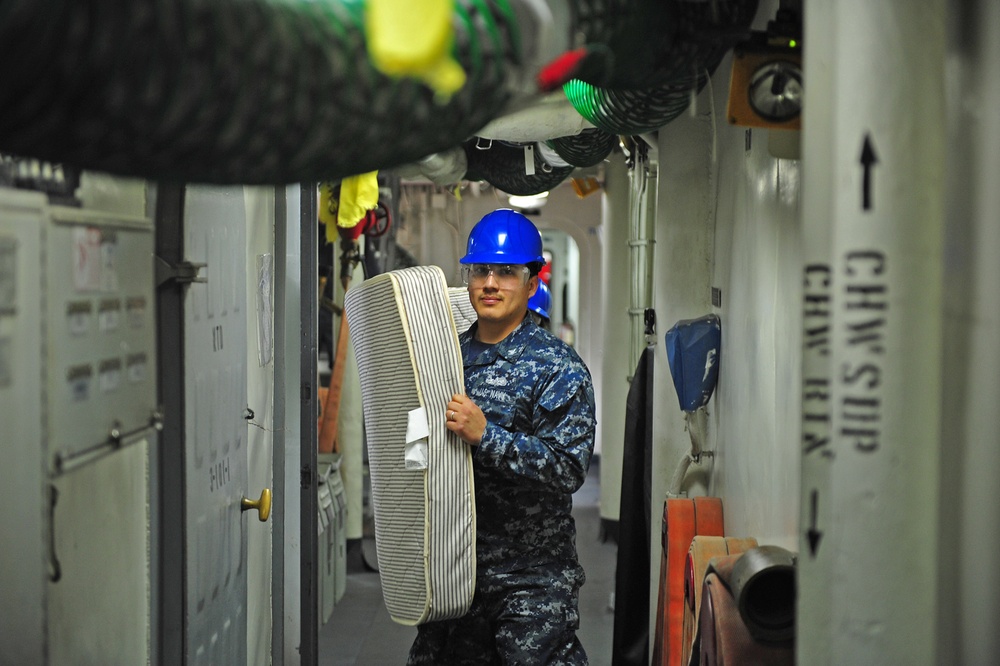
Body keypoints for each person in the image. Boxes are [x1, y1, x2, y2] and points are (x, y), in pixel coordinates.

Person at [407, 209, 597, 665]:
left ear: (531, 284)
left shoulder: (557, 367)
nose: (490, 283)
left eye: (507, 272)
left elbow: (568, 468)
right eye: (480, 270)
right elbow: (419, 440)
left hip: (531, 581)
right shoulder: (445, 357)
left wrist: (486, 436)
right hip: (455, 571)